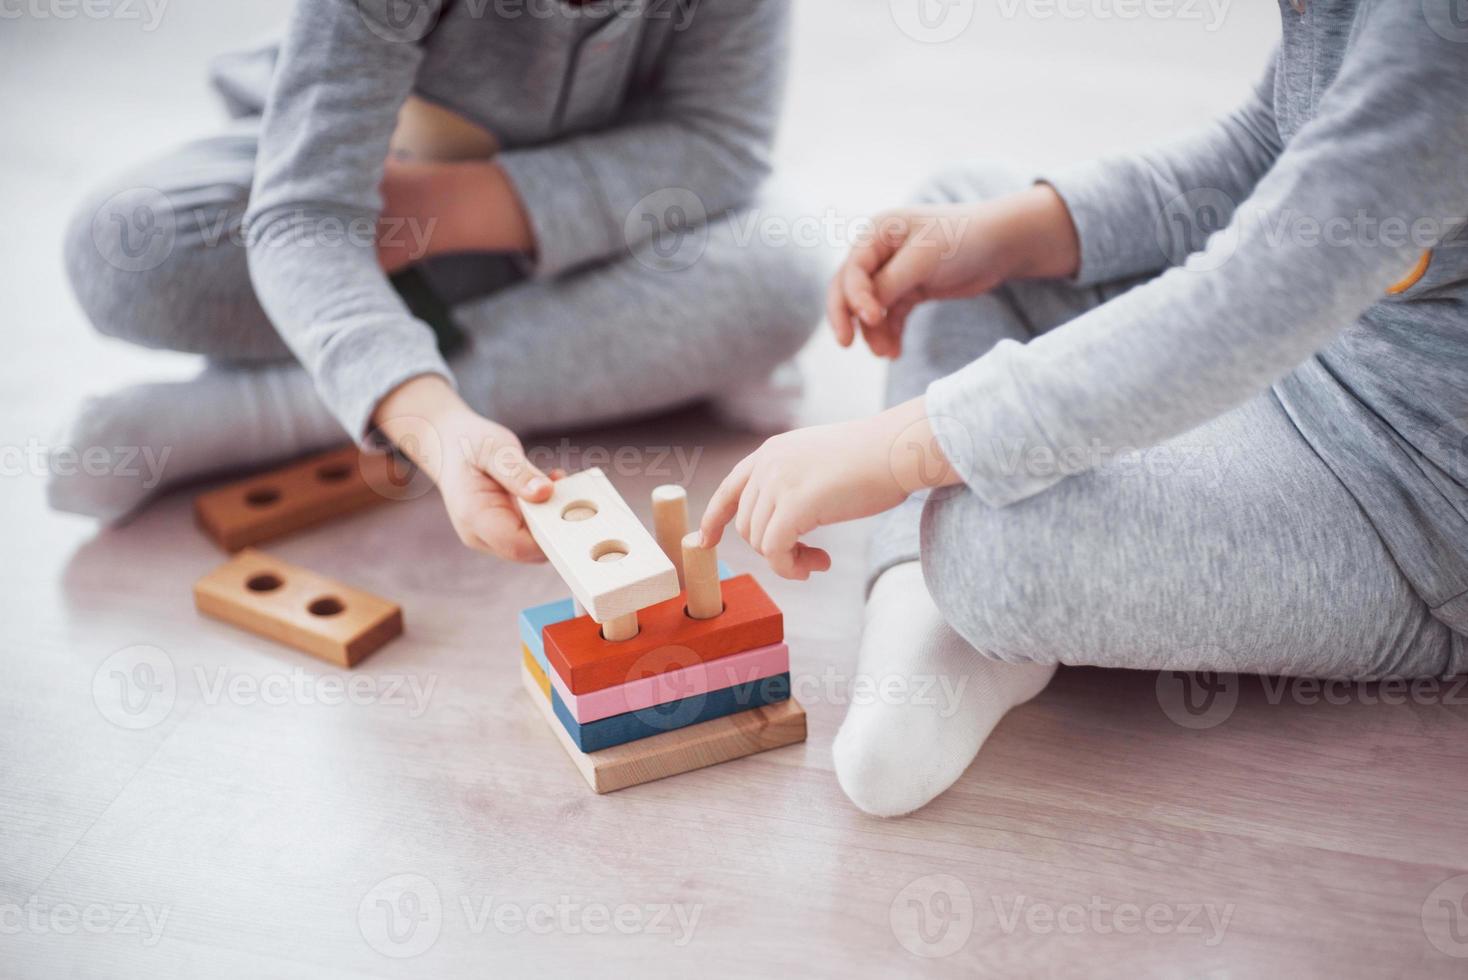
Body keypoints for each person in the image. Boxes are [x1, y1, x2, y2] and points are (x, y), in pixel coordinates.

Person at [700, 0, 1468, 816]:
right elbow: (1270, 150)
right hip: (1293, 360)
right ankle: (922, 609)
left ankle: (955, 597)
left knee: (987, 542)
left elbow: (1260, 295)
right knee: (951, 219)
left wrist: (903, 448)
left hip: (1410, 503)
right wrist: (1011, 234)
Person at [55, 0, 822, 560]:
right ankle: (621, 355)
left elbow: (717, 143)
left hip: (561, 210)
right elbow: (307, 214)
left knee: (781, 278)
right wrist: (438, 424)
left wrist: (438, 214)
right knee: (126, 248)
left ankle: (274, 408)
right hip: (369, 174)